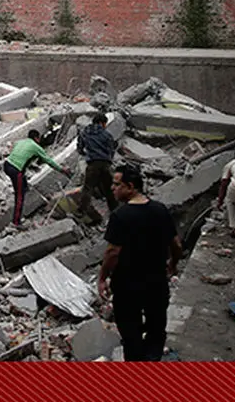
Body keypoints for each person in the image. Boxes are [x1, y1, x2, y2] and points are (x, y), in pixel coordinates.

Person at [98, 164, 182, 362]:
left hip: (127, 284)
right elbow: (176, 243)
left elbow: (112, 252)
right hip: (156, 281)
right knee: (156, 328)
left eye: (117, 184)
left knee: (130, 333)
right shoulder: (160, 210)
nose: (112, 188)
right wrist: (173, 263)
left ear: (130, 186)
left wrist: (102, 278)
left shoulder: (120, 216)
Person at [4, 130, 71, 227]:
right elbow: (49, 161)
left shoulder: (21, 142)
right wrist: (61, 169)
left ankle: (25, 187)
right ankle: (16, 222)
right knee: (19, 196)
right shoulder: (36, 147)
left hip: (7, 165)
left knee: (22, 176)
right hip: (15, 170)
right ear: (36, 138)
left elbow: (17, 151)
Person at [76, 112, 118, 225]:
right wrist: (109, 158)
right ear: (102, 122)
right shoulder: (106, 134)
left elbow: (79, 147)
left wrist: (86, 154)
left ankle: (80, 211)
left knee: (88, 188)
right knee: (109, 189)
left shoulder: (85, 132)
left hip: (92, 163)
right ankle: (115, 211)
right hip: (105, 164)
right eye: (105, 123)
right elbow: (111, 149)